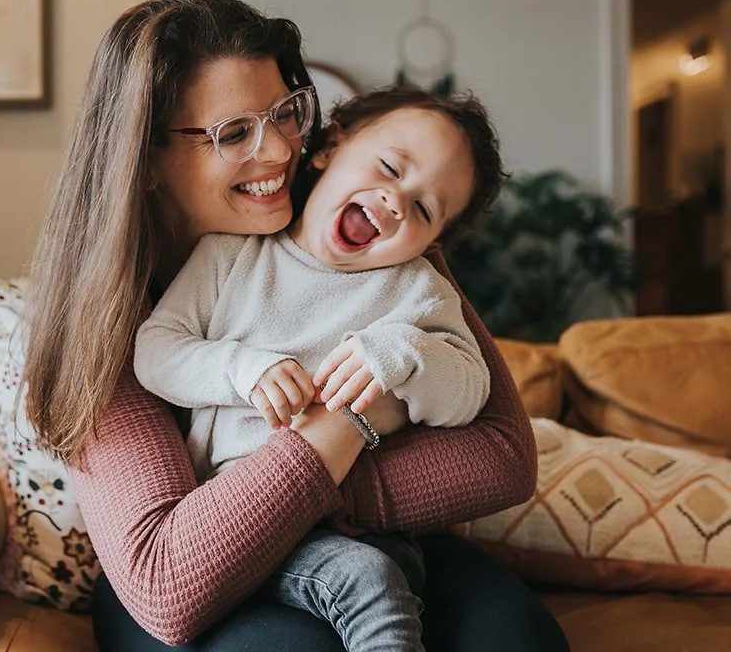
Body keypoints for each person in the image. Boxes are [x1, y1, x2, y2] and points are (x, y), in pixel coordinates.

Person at [24, 0, 569, 652]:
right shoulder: (110, 315)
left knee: (515, 637)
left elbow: (501, 458)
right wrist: (353, 419)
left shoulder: (381, 239)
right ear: (143, 159)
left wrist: (385, 391)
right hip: (184, 568)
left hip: (366, 539)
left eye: (285, 113)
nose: (281, 149)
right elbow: (167, 579)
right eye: (233, 133)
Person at [133, 86, 506, 651]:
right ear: (331, 147)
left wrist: (405, 353)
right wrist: (242, 369)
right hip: (235, 523)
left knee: (383, 575)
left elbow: (470, 391)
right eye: (389, 168)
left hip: (359, 531)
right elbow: (156, 351)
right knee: (367, 580)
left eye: (424, 209)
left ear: (433, 242)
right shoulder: (230, 256)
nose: (396, 201)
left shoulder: (418, 293)